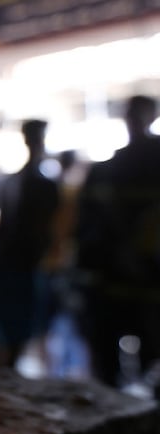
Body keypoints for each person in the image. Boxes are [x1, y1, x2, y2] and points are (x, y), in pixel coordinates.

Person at [77, 95, 160, 387]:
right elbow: (84, 229)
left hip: (140, 287)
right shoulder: (104, 171)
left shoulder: (107, 171)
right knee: (108, 369)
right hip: (112, 286)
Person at [0, 120, 61, 367]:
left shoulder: (42, 184)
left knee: (24, 330)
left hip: (30, 266)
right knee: (10, 331)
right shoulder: (11, 183)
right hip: (11, 266)